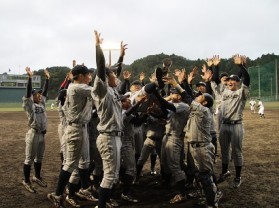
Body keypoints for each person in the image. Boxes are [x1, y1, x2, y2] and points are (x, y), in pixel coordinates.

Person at [163, 74, 223, 208]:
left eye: (200, 97)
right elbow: (190, 96)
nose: (197, 96)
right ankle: (211, 196)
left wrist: (176, 84)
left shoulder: (204, 110)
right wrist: (184, 82)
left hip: (202, 147)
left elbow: (188, 98)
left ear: (205, 102)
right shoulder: (198, 109)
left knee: (205, 176)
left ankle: (212, 203)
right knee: (201, 174)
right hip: (195, 146)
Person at [47, 64, 96, 208]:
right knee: (69, 164)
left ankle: (82, 189)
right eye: (87, 74)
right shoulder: (76, 87)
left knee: (84, 162)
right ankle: (57, 195)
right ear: (80, 76)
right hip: (75, 130)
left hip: (82, 128)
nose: (89, 76)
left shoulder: (79, 87)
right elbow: (98, 91)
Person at [91, 30, 127, 208]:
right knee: (109, 175)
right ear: (106, 78)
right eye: (113, 75)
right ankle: (101, 205)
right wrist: (98, 46)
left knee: (114, 174)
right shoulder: (102, 89)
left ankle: (106, 201)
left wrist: (120, 56)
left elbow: (114, 71)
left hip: (115, 136)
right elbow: (101, 67)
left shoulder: (113, 90)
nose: (116, 76)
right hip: (108, 137)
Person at [217, 55, 250, 189]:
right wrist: (216, 67)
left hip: (237, 125)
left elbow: (247, 79)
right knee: (224, 151)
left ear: (238, 83)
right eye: (229, 80)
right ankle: (225, 172)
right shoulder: (224, 91)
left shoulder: (242, 92)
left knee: (236, 151)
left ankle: (238, 176)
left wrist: (241, 66)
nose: (230, 81)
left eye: (234, 80)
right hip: (224, 125)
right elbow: (216, 80)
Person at [22, 67, 50, 193]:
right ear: (31, 96)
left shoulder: (41, 104)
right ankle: (26, 181)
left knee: (39, 158)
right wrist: (29, 78)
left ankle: (37, 177)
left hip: (42, 135)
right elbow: (28, 94)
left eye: (38, 94)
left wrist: (47, 79)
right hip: (33, 134)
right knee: (29, 159)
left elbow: (44, 92)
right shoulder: (29, 105)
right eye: (36, 94)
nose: (39, 95)